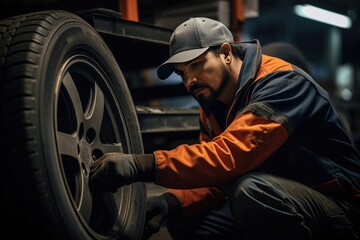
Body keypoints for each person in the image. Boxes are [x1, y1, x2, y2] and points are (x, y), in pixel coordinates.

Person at [89, 17, 360, 240]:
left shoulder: (280, 83)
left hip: (338, 206)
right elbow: (216, 180)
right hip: (284, 198)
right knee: (185, 220)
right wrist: (171, 203)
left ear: (227, 53)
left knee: (251, 191)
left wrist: (142, 165)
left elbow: (228, 157)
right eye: (182, 73)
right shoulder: (213, 106)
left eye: (196, 64)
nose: (189, 81)